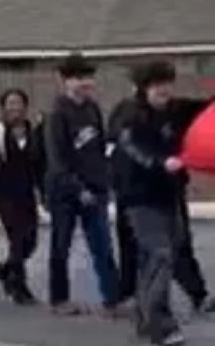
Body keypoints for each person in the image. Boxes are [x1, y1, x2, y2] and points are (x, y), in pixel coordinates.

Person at [111, 61, 214, 344]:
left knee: (157, 259)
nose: (164, 90)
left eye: (167, 83)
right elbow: (131, 145)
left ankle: (146, 320)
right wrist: (159, 161)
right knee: (160, 255)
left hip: (169, 194)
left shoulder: (176, 109)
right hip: (139, 197)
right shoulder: (131, 114)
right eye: (157, 85)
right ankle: (161, 325)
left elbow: (206, 110)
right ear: (144, 87)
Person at [44, 52, 122, 317]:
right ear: (65, 81)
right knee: (61, 246)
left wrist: (105, 180)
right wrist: (79, 188)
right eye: (79, 78)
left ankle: (112, 299)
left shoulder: (92, 109)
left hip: (95, 187)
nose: (85, 83)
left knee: (102, 245)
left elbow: (99, 149)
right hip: (65, 191)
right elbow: (58, 158)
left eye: (88, 77)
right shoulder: (57, 113)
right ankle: (59, 299)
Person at [0, 88, 46, 305]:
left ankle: (6, 269)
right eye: (10, 103)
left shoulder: (34, 131)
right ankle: (19, 288)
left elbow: (40, 165)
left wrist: (44, 193)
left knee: (31, 241)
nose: (15, 108)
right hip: (6, 196)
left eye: (18, 103)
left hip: (27, 194)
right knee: (18, 240)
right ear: (3, 107)